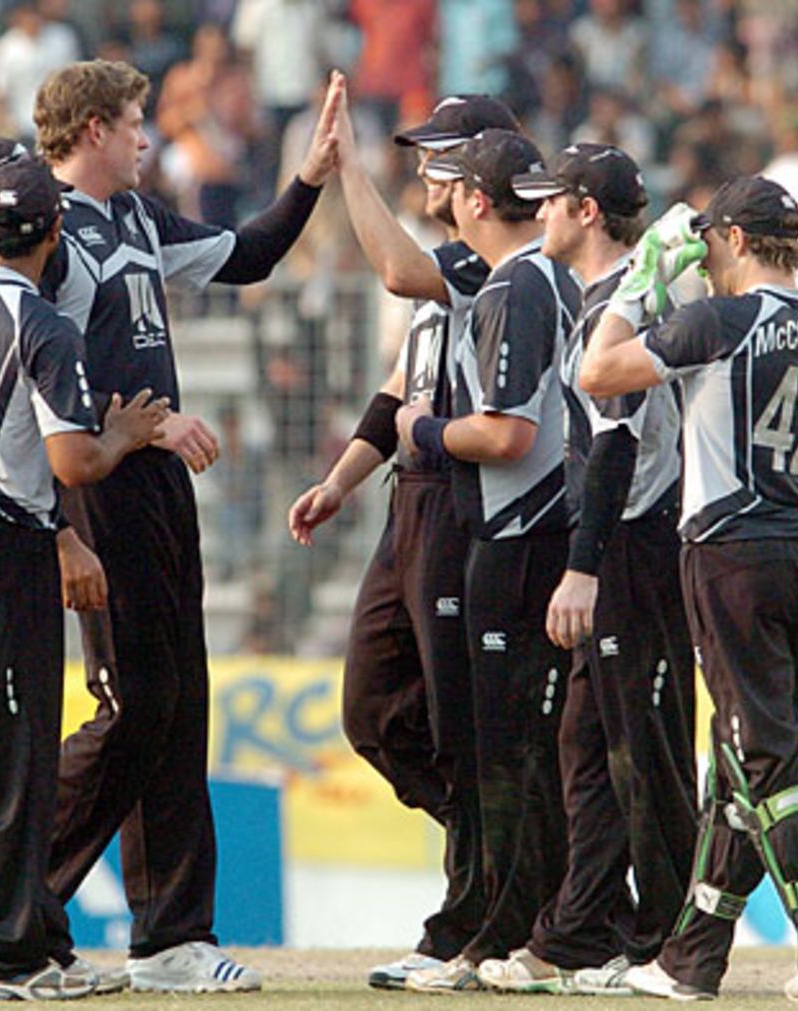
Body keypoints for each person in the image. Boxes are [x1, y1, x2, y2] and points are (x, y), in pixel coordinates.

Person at [32, 58, 340, 991]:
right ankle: (7, 898)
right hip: (97, 480)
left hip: (157, 480)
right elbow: (32, 372)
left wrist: (310, 177)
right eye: (134, 121)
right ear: (93, 129)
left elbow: (248, 257)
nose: (147, 137)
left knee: (177, 701)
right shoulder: (43, 228)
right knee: (133, 704)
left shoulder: (134, 215)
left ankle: (169, 936)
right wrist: (134, 433)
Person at [579, 176, 798, 1003]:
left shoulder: (720, 319)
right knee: (740, 760)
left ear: (737, 239)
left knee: (763, 761)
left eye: (709, 241)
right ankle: (692, 958)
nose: (701, 255)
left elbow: (599, 370)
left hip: (730, 550)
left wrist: (641, 282)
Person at [0, 157, 168, 1000]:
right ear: (53, 232)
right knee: (8, 759)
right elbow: (72, 462)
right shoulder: (41, 322)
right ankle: (2, 958)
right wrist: (123, 436)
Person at [288, 88, 521, 990]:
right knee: (374, 707)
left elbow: (392, 270)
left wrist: (347, 171)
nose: (422, 167)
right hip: (408, 501)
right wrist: (341, 480)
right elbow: (399, 387)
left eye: (438, 153)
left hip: (462, 498)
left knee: (461, 719)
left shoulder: (487, 266)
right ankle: (502, 850)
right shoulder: (449, 267)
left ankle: (474, 915)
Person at [476, 143, 697, 994]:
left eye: (551, 200)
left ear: (587, 212)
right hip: (624, 542)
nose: (538, 213)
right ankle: (584, 933)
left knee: (640, 749)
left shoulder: (619, 307)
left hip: (634, 543)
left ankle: (667, 942)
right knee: (592, 742)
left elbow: (614, 448)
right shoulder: (604, 300)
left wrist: (584, 566)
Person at [395, 128, 580, 992]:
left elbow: (507, 435)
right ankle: (542, 928)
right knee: (532, 749)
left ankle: (506, 934)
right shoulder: (549, 276)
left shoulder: (516, 284)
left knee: (511, 753)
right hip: (538, 533)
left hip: (518, 536)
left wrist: (424, 428)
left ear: (474, 199)